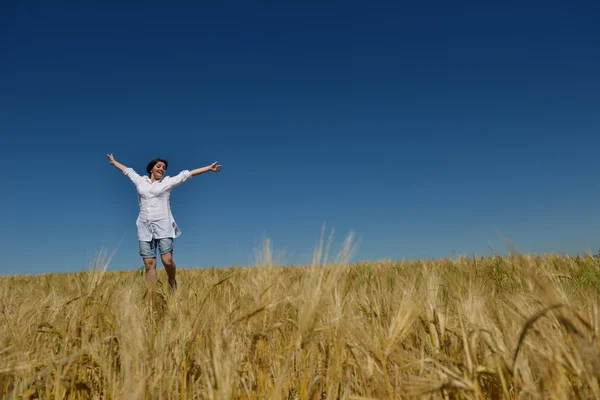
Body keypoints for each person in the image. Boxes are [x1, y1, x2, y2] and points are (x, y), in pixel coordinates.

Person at [107, 153, 221, 291]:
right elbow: (128, 171)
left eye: (164, 167)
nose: (162, 169)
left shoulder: (167, 182)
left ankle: (172, 279)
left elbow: (186, 175)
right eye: (159, 166)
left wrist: (208, 168)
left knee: (167, 261)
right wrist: (114, 162)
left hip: (163, 227)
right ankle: (152, 297)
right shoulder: (140, 181)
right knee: (149, 264)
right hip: (144, 227)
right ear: (151, 169)